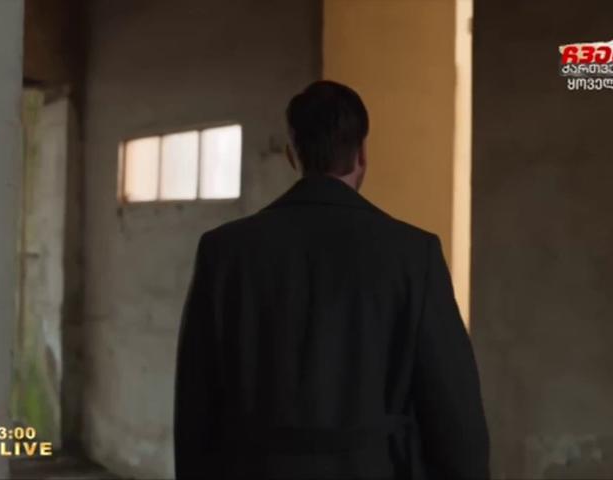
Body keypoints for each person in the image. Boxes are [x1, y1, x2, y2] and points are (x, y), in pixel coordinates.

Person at [174, 80, 489, 479]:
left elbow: (196, 405)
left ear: (293, 154)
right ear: (362, 154)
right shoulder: (412, 254)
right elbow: (455, 413)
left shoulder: (224, 251)